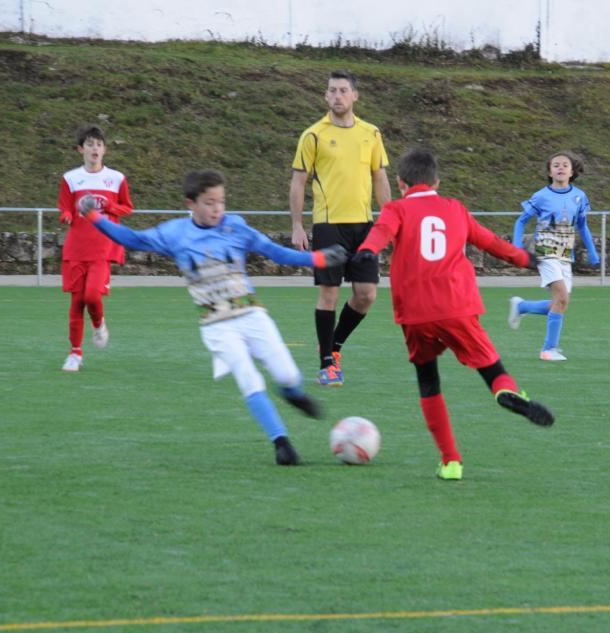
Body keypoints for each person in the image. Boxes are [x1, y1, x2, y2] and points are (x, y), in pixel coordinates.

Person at [80, 170, 349, 466]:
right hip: (217, 326)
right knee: (249, 378)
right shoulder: (174, 233)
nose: (217, 208)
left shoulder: (236, 227)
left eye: (221, 201)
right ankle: (281, 442)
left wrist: (319, 259)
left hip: (252, 316)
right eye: (209, 202)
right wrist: (94, 216)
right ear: (190, 204)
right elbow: (130, 238)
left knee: (287, 375)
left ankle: (291, 393)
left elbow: (275, 253)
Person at [352, 149, 554, 481]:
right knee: (493, 370)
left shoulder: (396, 208)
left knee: (428, 381)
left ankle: (451, 462)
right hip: (456, 307)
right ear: (437, 182)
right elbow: (489, 242)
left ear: (401, 183)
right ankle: (506, 392)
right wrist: (525, 259)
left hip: (415, 313)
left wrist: (366, 252)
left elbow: (381, 232)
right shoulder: (454, 209)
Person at [289, 69, 391, 387]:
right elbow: (298, 182)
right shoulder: (313, 135)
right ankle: (326, 364)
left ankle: (333, 346)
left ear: (355, 95)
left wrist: (389, 221)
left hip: (364, 226)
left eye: (343, 90)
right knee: (329, 295)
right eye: (332, 90)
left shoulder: (371, 134)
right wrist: (297, 225)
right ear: (325, 96)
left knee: (367, 295)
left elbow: (380, 178)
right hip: (328, 226)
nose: (337, 96)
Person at [507, 151, 599, 361]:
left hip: (565, 255)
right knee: (562, 298)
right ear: (549, 171)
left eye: (565, 165)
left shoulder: (579, 196)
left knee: (560, 303)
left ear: (572, 171)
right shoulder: (541, 196)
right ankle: (548, 349)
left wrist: (592, 250)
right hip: (546, 253)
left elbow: (582, 225)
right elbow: (521, 221)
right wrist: (516, 246)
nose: (560, 168)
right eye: (555, 165)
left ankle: (522, 306)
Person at [57, 125, 134, 372]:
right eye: (89, 144)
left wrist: (110, 206)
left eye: (99, 144)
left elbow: (127, 207)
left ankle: (99, 324)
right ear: (81, 149)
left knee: (92, 295)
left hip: (103, 246)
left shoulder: (116, 178)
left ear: (105, 150)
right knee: (77, 301)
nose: (95, 149)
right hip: (77, 247)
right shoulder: (70, 178)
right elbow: (65, 208)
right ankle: (75, 353)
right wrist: (67, 216)